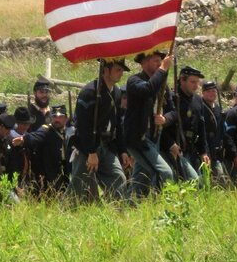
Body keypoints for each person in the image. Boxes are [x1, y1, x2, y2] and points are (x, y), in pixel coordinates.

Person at [71, 58, 129, 202]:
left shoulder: (116, 92)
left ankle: (119, 215)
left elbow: (118, 124)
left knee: (118, 178)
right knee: (79, 187)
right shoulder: (89, 92)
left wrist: (122, 150)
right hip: (86, 146)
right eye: (117, 69)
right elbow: (83, 126)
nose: (121, 73)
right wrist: (91, 152)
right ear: (105, 70)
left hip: (107, 145)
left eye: (121, 70)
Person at [123, 50, 176, 198]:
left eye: (161, 61)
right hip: (139, 139)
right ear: (144, 63)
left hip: (154, 137)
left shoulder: (162, 84)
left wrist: (165, 119)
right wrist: (163, 69)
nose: (160, 64)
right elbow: (147, 90)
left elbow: (173, 112)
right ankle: (160, 207)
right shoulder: (134, 81)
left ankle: (129, 207)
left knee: (140, 179)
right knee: (164, 172)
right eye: (156, 61)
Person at [162, 65, 210, 183]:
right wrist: (170, 144)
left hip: (191, 149)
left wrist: (203, 151)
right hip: (174, 149)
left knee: (197, 183)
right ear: (182, 80)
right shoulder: (172, 98)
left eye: (197, 82)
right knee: (191, 182)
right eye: (192, 82)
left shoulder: (198, 100)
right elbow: (162, 126)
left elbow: (201, 127)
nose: (196, 85)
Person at [16, 104, 71, 197]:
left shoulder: (68, 131)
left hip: (64, 173)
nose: (57, 120)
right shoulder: (46, 130)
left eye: (60, 117)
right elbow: (36, 136)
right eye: (54, 116)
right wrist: (24, 140)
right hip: (49, 175)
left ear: (66, 118)